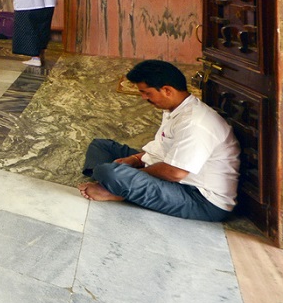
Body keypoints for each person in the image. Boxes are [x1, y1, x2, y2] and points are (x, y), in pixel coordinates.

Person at [79, 60, 239, 222]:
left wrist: (132, 174)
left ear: (167, 90)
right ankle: (115, 185)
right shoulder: (176, 109)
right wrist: (134, 160)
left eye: (147, 93)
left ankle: (115, 187)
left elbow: (176, 172)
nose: (143, 97)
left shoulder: (195, 122)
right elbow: (161, 151)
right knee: (100, 146)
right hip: (170, 173)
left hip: (200, 199)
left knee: (111, 172)